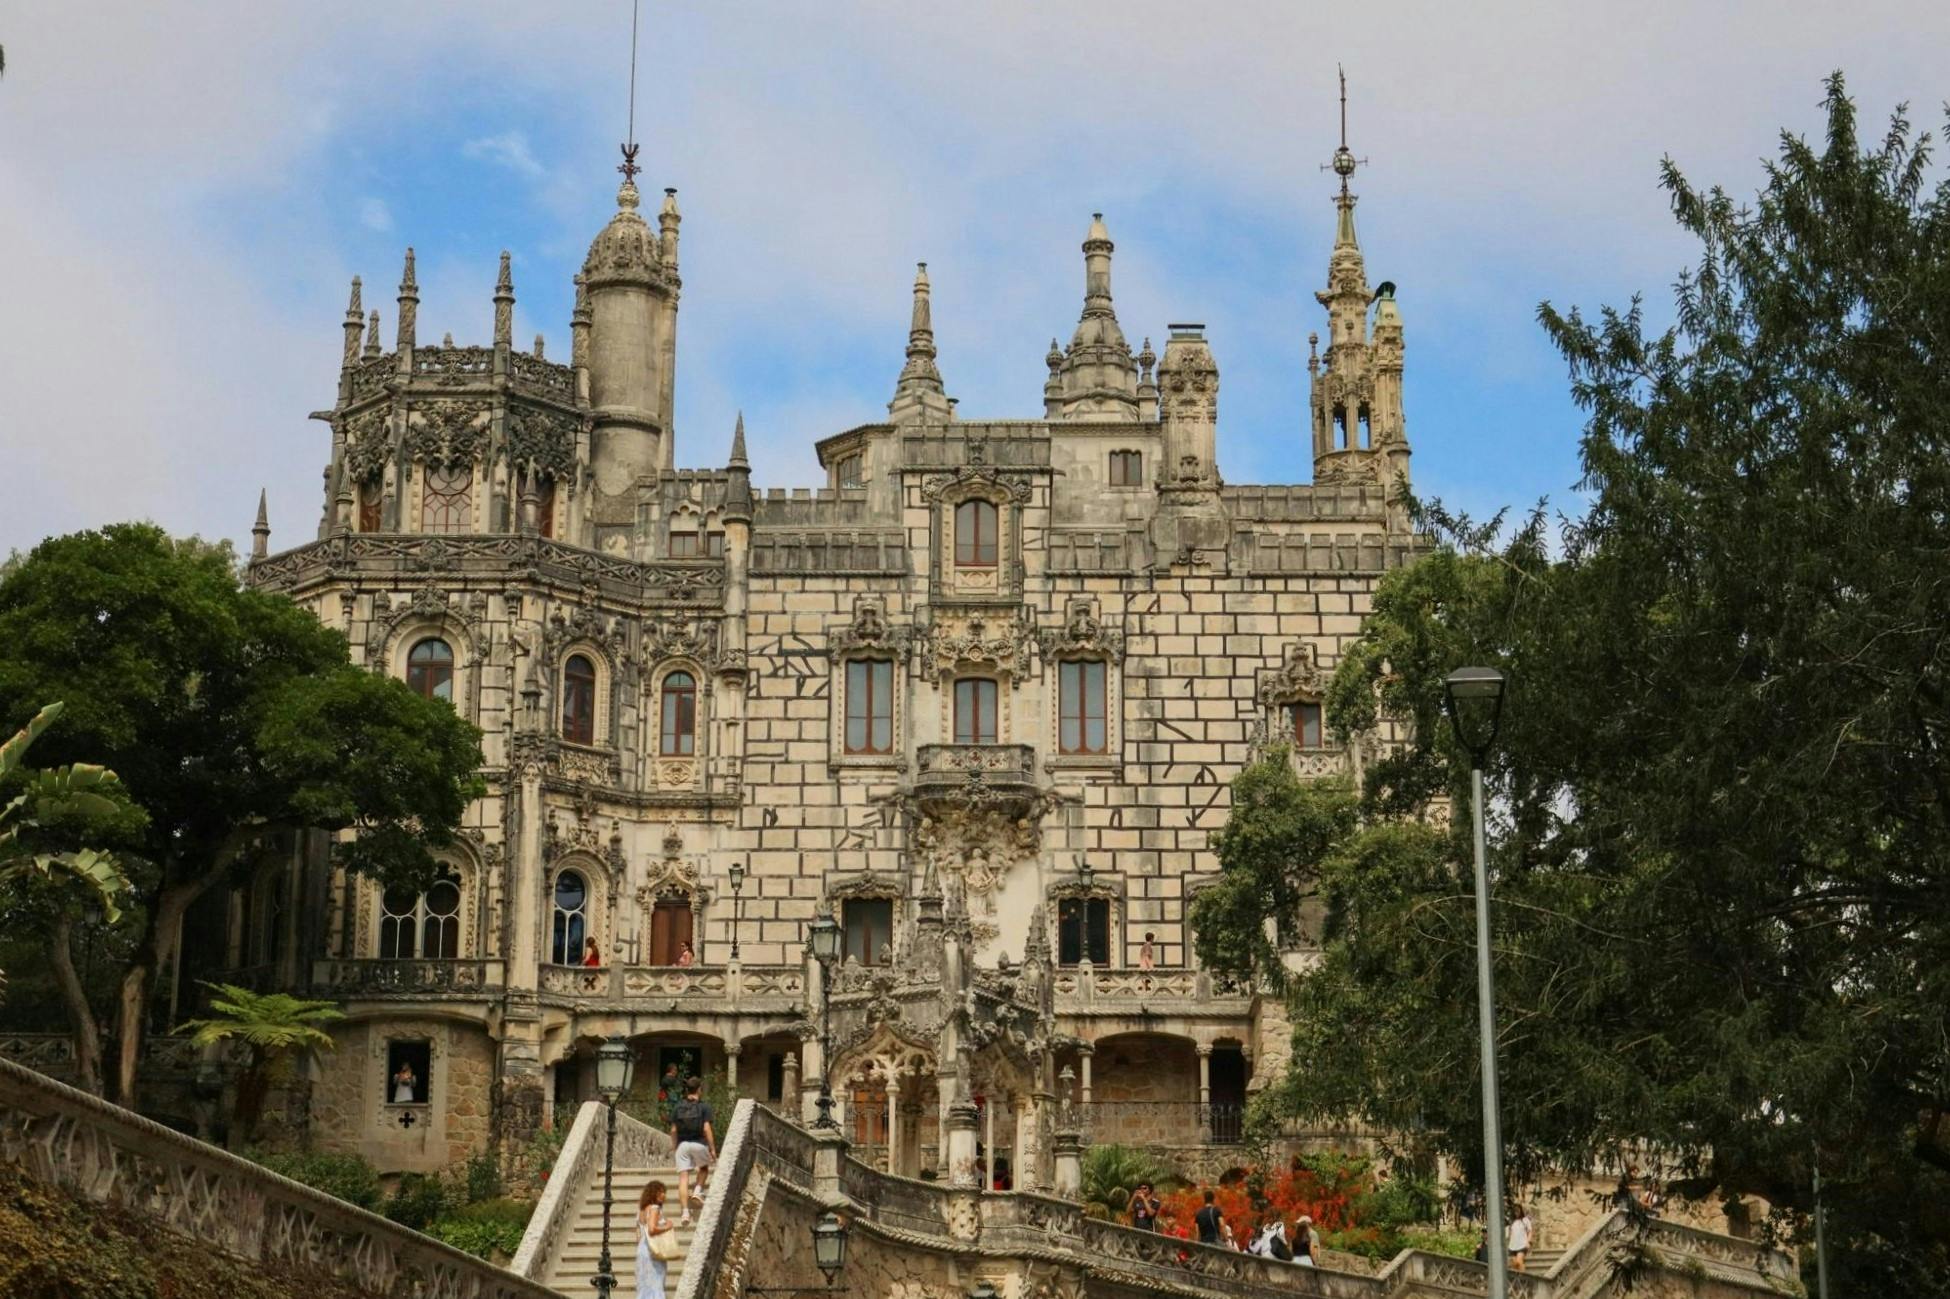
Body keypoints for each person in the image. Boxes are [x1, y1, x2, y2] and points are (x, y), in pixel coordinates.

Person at [669, 1076, 716, 1224]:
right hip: (699, 1143)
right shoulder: (704, 1107)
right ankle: (697, 1191)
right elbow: (706, 1128)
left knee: (683, 1178)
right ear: (699, 1090)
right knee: (703, 1169)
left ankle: (684, 1213)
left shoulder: (678, 1107)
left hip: (683, 1145)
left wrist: (675, 1146)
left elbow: (673, 1130)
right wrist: (713, 1149)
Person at [635, 1179, 676, 1299]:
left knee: (645, 1285)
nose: (663, 1195)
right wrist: (667, 1226)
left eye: (664, 1192)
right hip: (654, 1250)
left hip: (642, 1249)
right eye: (660, 1192)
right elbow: (652, 1229)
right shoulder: (654, 1209)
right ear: (653, 1193)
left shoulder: (641, 1211)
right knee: (657, 1283)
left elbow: (638, 1235)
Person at [1507, 1204, 1534, 1272]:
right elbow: (1510, 1234)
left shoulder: (1525, 1220)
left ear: (1520, 1210)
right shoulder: (1512, 1222)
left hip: (1522, 1245)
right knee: (1514, 1265)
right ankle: (1517, 1280)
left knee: (1519, 1262)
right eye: (1515, 1210)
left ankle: (1524, 1279)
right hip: (1512, 1246)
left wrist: (1528, 1242)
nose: (1517, 1212)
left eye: (1518, 1210)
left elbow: (1530, 1231)